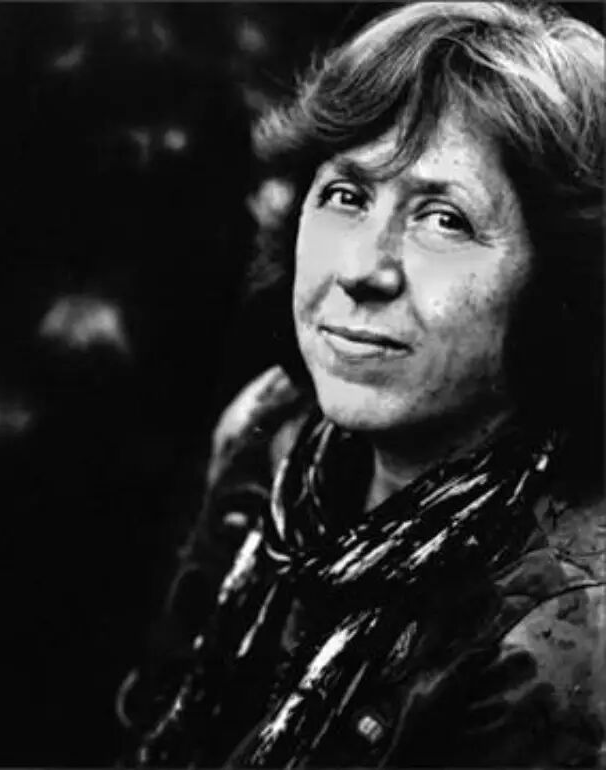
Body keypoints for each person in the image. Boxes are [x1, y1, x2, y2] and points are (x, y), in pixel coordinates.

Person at [118, 1, 605, 766]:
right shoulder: (270, 435)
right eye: (346, 196)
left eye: (444, 219)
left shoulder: (559, 636)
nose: (359, 269)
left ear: (561, 286)